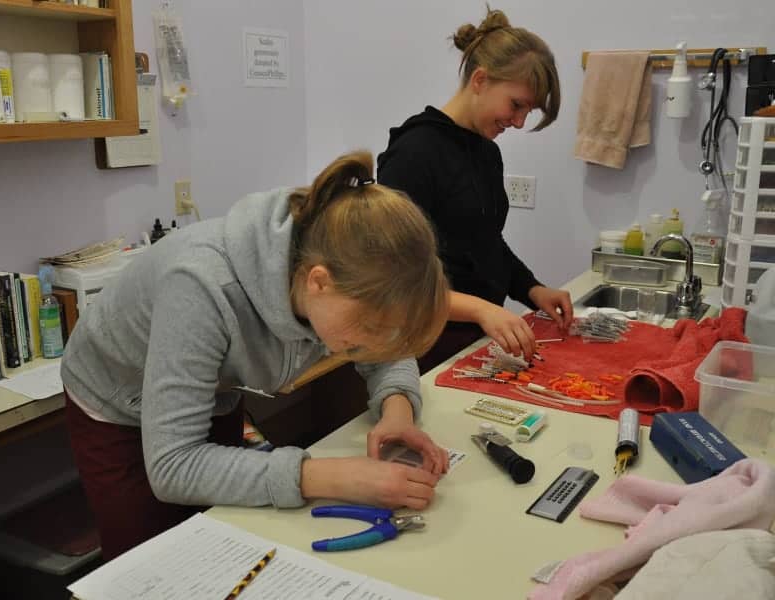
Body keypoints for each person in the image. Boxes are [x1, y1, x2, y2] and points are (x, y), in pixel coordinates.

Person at [61, 151, 451, 559]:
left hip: (209, 387)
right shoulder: (200, 285)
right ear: (318, 283)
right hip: (117, 398)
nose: (364, 349)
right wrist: (329, 476)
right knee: (148, 560)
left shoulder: (330, 261)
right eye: (361, 337)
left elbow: (386, 345)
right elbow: (174, 467)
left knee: (220, 537)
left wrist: (397, 410)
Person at [377, 7, 573, 373]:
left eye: (527, 111)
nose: (518, 122)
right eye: (516, 105)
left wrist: (532, 289)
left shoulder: (486, 152)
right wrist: (482, 310)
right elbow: (394, 281)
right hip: (421, 348)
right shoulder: (414, 153)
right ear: (480, 80)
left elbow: (483, 242)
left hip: (474, 339)